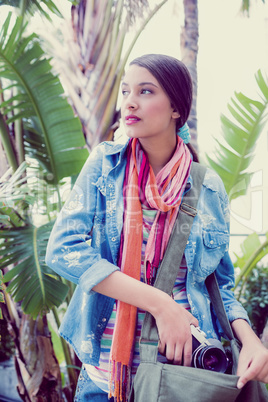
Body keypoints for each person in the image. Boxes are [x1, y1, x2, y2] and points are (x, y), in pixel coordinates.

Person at [45, 54, 268, 401]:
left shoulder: (207, 186)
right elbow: (63, 250)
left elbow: (219, 287)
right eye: (125, 91)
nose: (129, 102)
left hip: (178, 376)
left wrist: (250, 340)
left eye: (145, 91)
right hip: (105, 380)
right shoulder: (105, 165)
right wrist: (161, 305)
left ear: (176, 108)